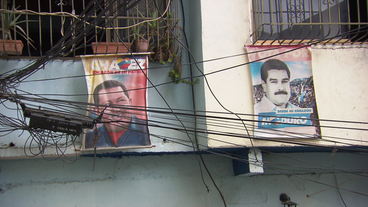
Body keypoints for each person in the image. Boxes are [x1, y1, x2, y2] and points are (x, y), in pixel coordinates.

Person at [85, 80, 150, 149]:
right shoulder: (90, 139)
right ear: (97, 111)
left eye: (121, 100)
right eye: (108, 104)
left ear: (130, 102)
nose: (117, 109)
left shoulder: (147, 131)